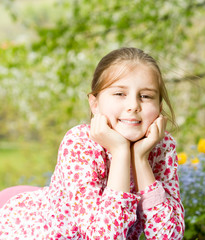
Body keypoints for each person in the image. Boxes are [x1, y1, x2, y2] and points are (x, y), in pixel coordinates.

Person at [0, 47, 185, 239]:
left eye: (145, 96)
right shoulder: (79, 144)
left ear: (159, 107)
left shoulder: (161, 146)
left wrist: (140, 159)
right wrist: (121, 152)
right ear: (94, 104)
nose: (133, 106)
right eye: (119, 94)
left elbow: (169, 236)